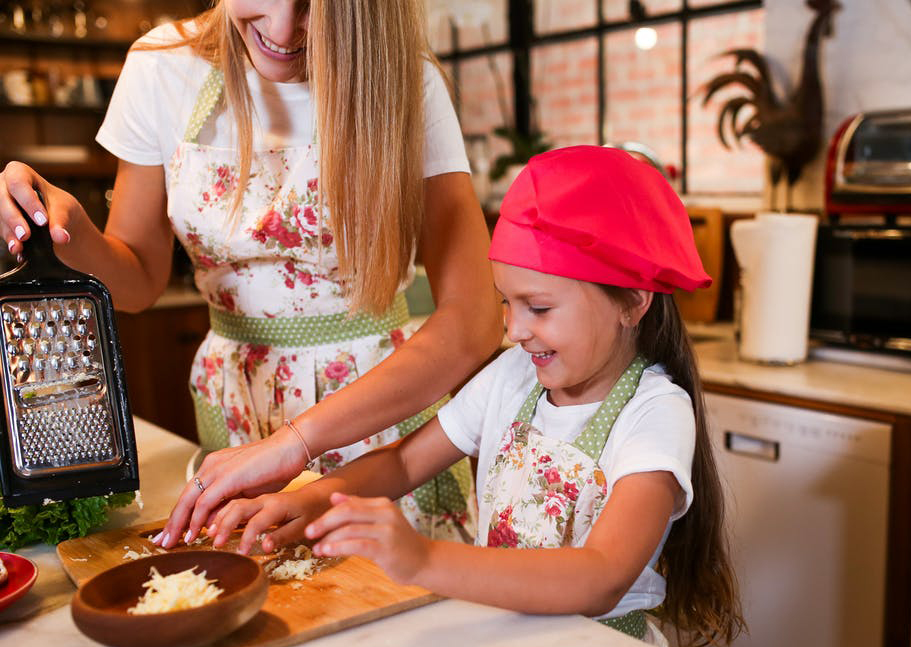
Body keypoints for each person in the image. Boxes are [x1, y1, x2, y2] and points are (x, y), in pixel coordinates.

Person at [0, 0, 502, 547]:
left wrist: (295, 441)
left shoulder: (405, 78)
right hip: (236, 403)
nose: (283, 30)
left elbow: (475, 321)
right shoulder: (161, 69)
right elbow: (140, 281)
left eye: (317, 6)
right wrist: (71, 228)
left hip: (385, 424)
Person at [205, 146, 746, 645]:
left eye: (538, 307)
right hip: (506, 629)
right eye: (505, 303)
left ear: (632, 302)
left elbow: (602, 576)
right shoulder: (513, 376)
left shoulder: (655, 412)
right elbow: (399, 465)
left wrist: (421, 559)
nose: (513, 330)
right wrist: (302, 501)